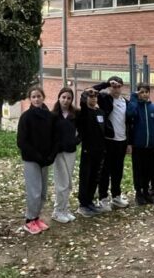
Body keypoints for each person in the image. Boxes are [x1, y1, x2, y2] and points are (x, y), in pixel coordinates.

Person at [17, 86, 61, 234]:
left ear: (43, 97)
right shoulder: (26, 117)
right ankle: (29, 220)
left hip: (45, 160)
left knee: (42, 192)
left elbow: (56, 138)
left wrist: (51, 156)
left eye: (39, 96)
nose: (36, 99)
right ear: (30, 99)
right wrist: (37, 156)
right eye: (33, 97)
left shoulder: (50, 116)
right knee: (34, 191)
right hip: (32, 160)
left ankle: (36, 217)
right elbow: (21, 141)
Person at [91, 76, 130, 208]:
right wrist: (106, 84)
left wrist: (128, 143)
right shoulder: (104, 98)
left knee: (118, 170)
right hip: (108, 141)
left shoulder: (126, 102)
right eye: (114, 86)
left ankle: (116, 196)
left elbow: (128, 123)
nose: (116, 89)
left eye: (118, 86)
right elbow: (89, 91)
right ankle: (103, 198)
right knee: (105, 171)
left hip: (122, 141)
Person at [126, 83, 154, 205]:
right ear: (138, 93)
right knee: (138, 171)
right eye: (141, 92)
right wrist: (133, 97)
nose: (144, 94)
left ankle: (146, 192)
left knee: (148, 170)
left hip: (151, 147)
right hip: (138, 147)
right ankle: (139, 193)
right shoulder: (135, 107)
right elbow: (129, 114)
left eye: (146, 92)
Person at [75, 88, 107, 216]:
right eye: (90, 96)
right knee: (86, 177)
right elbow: (83, 105)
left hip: (99, 150)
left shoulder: (100, 112)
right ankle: (83, 204)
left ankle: (89, 201)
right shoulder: (83, 112)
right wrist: (86, 93)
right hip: (88, 150)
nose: (93, 98)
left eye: (95, 97)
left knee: (95, 177)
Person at [52, 88, 79, 223]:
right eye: (63, 97)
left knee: (68, 183)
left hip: (71, 151)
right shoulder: (53, 115)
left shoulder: (75, 115)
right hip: (58, 153)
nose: (66, 100)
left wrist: (76, 141)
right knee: (61, 183)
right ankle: (57, 211)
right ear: (59, 98)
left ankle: (65, 209)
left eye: (69, 98)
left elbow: (81, 131)